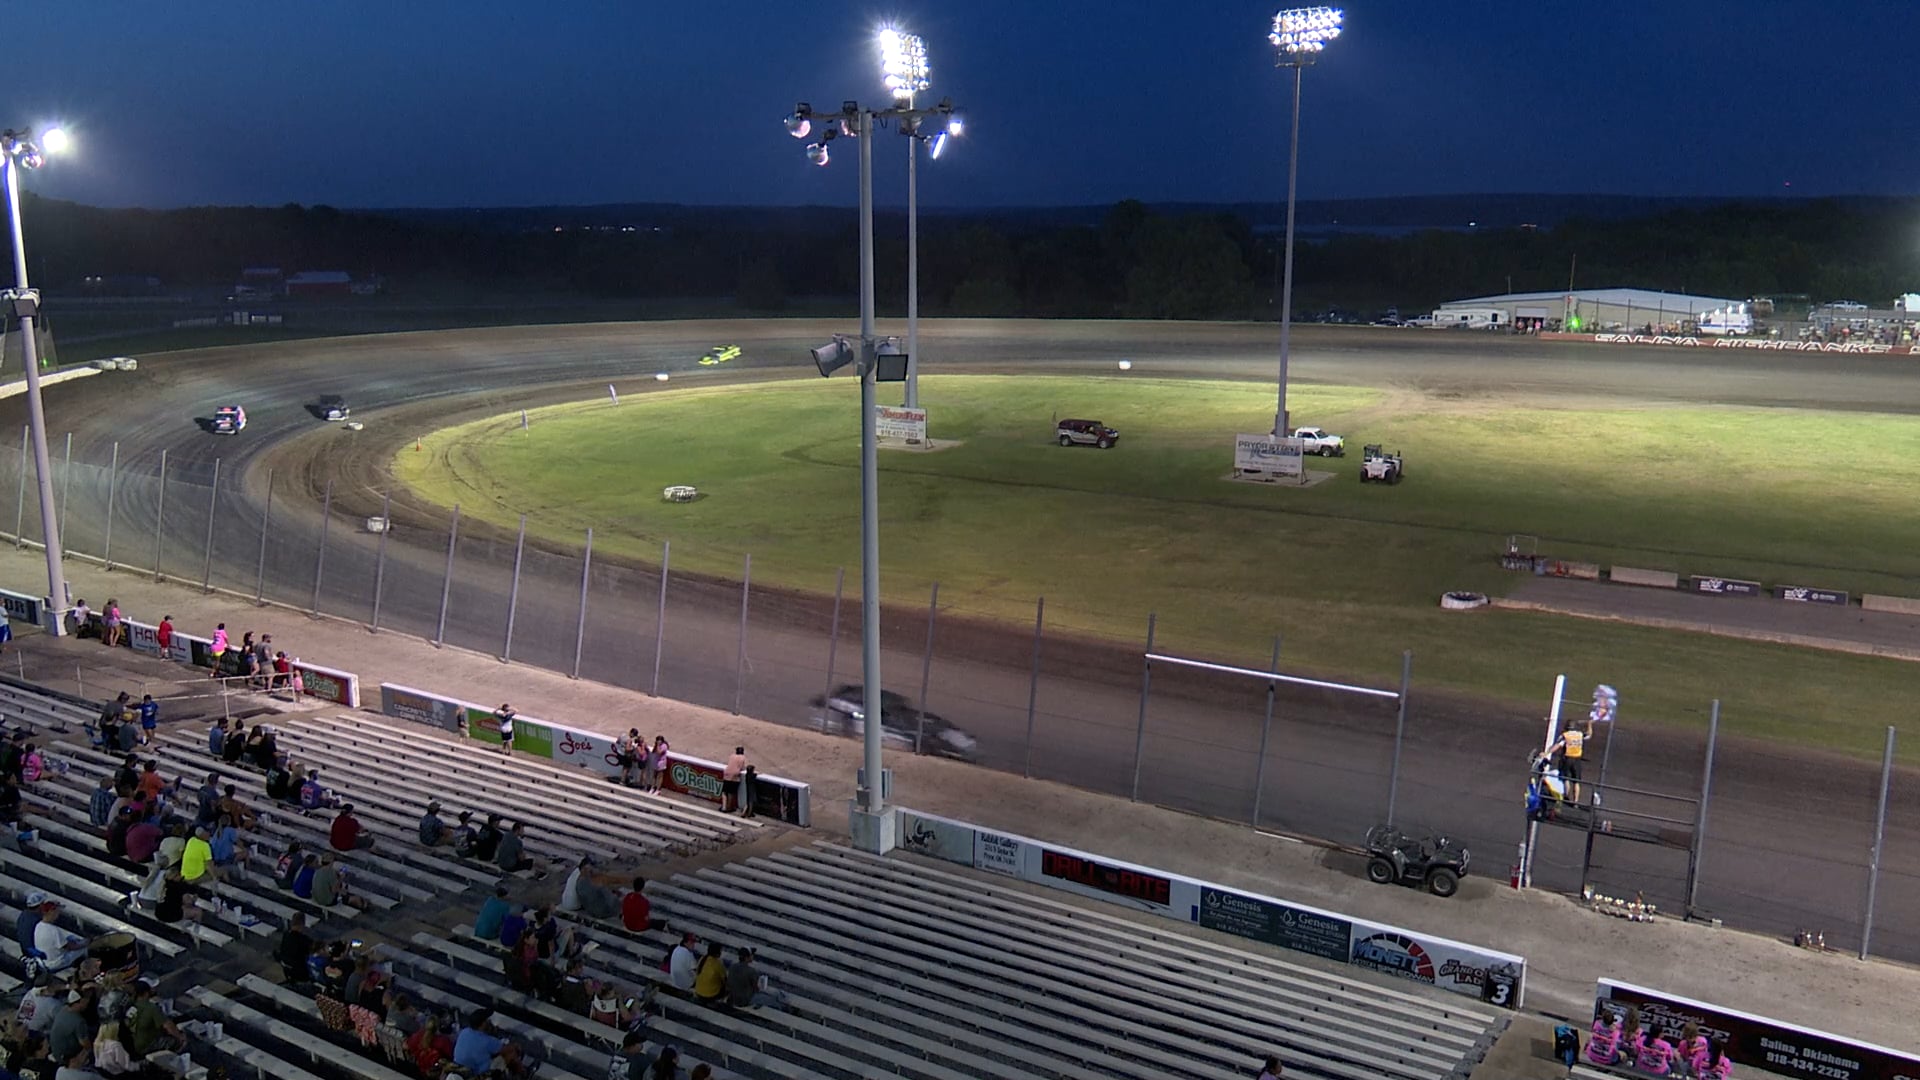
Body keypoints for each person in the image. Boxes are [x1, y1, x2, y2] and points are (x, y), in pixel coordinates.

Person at [33, 900, 91, 972]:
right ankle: (86, 969)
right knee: (84, 949)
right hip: (55, 963)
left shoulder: (38, 925)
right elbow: (70, 947)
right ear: (51, 912)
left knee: (72, 938)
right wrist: (85, 944)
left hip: (43, 961)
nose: (58, 913)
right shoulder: (53, 930)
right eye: (57, 911)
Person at [126, 981, 180, 1055]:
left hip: (130, 1045)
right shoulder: (151, 1008)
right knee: (174, 1040)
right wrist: (180, 1037)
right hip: (145, 1046)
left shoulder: (129, 1007)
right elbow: (168, 1026)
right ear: (146, 993)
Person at [47, 991, 93, 1068]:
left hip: (56, 1051)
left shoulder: (62, 1010)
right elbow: (84, 1043)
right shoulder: (79, 1021)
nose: (86, 1005)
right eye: (85, 1002)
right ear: (78, 1003)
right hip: (67, 1058)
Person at [1549, 719, 1589, 804]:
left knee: (1566, 779)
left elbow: (1558, 745)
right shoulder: (1580, 734)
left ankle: (1565, 798)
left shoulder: (1565, 735)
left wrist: (1547, 752)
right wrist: (1590, 725)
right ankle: (1576, 801)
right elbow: (1589, 734)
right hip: (1577, 759)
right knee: (1576, 782)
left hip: (1567, 759)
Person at [277, 911, 316, 983]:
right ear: (302, 924)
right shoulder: (303, 940)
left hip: (287, 968)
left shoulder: (286, 935)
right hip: (300, 971)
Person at [691, 941, 727, 1005]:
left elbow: (697, 972)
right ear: (717, 953)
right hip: (711, 995)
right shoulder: (718, 964)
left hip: (699, 990)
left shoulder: (702, 958)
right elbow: (724, 979)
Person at [721, 747, 746, 813]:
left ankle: (724, 807)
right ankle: (729, 807)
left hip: (727, 774)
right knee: (730, 793)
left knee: (724, 792)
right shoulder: (742, 758)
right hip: (735, 776)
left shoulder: (732, 756)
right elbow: (742, 768)